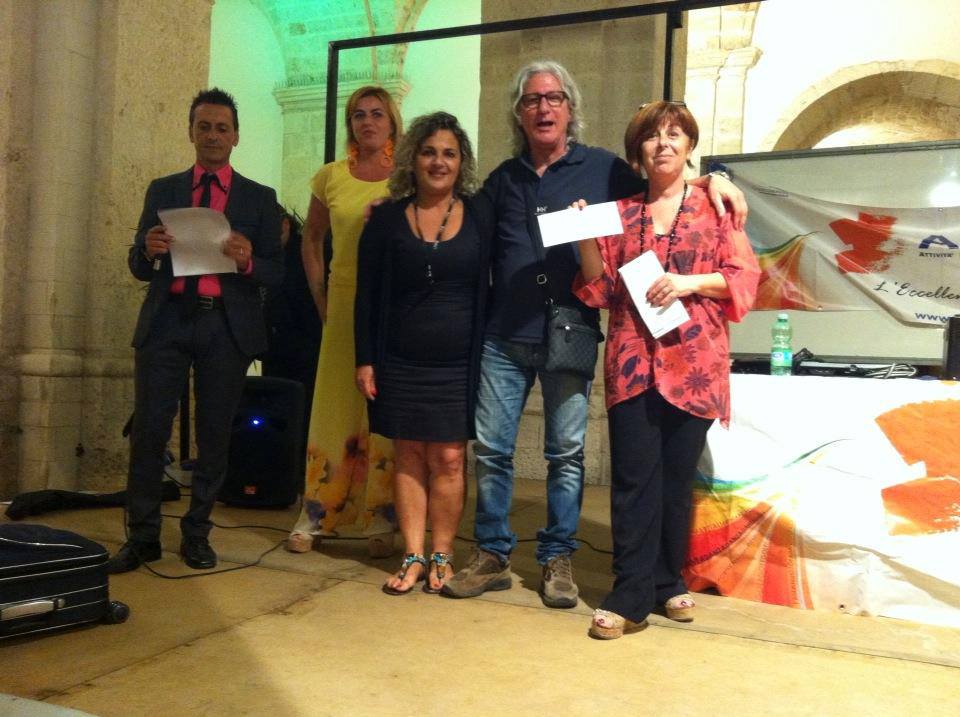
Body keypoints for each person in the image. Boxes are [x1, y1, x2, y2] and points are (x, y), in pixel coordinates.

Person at [442, 60, 748, 609]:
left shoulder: (605, 170)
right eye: (532, 100)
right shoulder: (503, 179)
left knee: (567, 453)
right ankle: (491, 553)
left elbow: (665, 180)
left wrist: (714, 177)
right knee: (491, 452)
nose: (544, 108)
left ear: (570, 109)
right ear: (518, 113)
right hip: (508, 332)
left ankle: (559, 557)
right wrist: (403, 205)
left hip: (573, 331)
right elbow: (466, 226)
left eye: (554, 98)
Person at [574, 101, 760, 638]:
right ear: (639, 149)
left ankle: (665, 579)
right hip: (633, 362)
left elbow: (744, 279)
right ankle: (630, 591)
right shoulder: (619, 214)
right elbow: (598, 290)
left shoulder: (715, 207)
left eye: (675, 134)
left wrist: (687, 283)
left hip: (696, 363)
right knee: (635, 480)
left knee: (676, 483)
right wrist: (584, 235)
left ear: (689, 146)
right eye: (653, 136)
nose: (664, 144)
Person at [108, 88, 283, 574]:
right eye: (204, 126)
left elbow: (277, 272)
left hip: (224, 325)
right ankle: (143, 536)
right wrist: (147, 249)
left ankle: (198, 533)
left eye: (222, 128)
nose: (212, 135)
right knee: (149, 432)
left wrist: (248, 262)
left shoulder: (259, 198)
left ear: (236, 137)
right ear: (191, 132)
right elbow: (138, 265)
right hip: (168, 319)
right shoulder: (163, 190)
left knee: (214, 435)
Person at [354, 112, 492, 594]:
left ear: (462, 162)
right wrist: (365, 358)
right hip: (399, 359)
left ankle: (442, 555)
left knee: (450, 458)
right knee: (408, 454)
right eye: (429, 152)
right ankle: (413, 556)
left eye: (449, 153)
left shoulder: (481, 214)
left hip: (459, 363)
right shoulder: (386, 218)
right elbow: (366, 294)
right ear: (413, 158)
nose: (438, 162)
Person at [286, 86, 402, 557]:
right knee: (334, 405)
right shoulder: (330, 176)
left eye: (376, 114)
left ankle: (381, 518)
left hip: (393, 305)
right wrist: (320, 296)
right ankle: (318, 512)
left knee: (384, 408)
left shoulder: (407, 176)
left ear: (392, 122)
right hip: (343, 301)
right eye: (358, 115)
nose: (367, 122)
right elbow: (311, 239)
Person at [262, 208, 322, 460]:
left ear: (285, 225)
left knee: (299, 412)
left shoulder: (301, 256)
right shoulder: (275, 256)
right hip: (280, 346)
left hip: (304, 346)